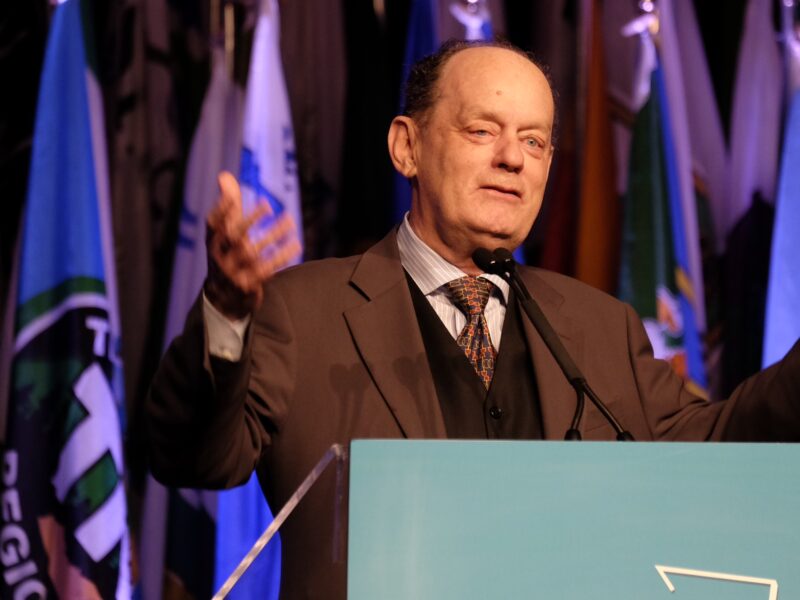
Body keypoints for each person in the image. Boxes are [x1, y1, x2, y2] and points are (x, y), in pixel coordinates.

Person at [146, 40, 800, 599]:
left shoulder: (600, 329)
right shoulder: (304, 311)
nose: (513, 159)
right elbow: (196, 458)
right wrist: (227, 316)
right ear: (407, 147)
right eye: (483, 131)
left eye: (535, 141)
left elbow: (720, 447)